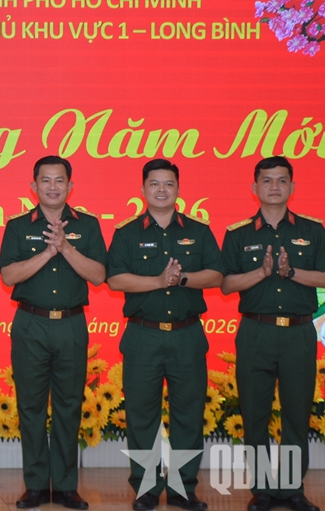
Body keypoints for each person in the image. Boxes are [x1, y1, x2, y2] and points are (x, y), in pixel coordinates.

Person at [106, 159, 223, 511]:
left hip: (187, 336)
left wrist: (182, 279)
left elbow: (217, 275)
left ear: (178, 189)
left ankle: (183, 489)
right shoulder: (127, 233)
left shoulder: (198, 231)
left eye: (168, 184)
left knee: (188, 415)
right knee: (142, 417)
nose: (162, 190)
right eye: (154, 184)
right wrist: (158, 282)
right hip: (143, 336)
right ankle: (146, 489)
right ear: (143, 189)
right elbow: (115, 279)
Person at [0, 156, 106, 510]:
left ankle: (65, 486)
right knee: (30, 406)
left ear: (70, 186)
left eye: (60, 180)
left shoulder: (87, 225)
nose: (53, 187)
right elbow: (8, 276)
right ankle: (35, 486)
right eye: (46, 180)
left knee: (69, 406)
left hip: (71, 325)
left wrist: (67, 248)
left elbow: (99, 276)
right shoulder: (18, 226)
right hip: (31, 324)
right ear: (34, 186)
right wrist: (48, 252)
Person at [221, 156, 324, 511]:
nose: (275, 186)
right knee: (254, 414)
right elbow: (225, 284)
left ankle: (292, 489)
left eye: (282, 180)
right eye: (267, 180)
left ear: (292, 187)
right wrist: (261, 274)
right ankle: (263, 489)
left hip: (298, 334)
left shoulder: (313, 231)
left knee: (296, 413)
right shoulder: (238, 234)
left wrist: (291, 272)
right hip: (255, 331)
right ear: (255, 188)